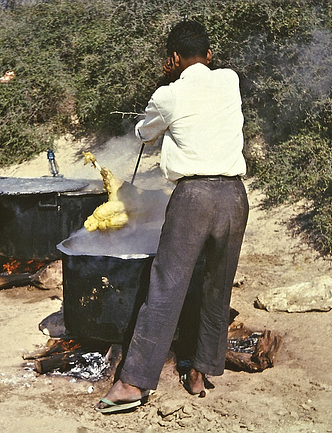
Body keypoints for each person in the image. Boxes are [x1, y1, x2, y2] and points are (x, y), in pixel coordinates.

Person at [95, 20, 248, 413]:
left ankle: (133, 383)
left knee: (166, 287)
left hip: (194, 197)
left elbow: (145, 133)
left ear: (174, 58)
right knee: (217, 286)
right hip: (234, 196)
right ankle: (201, 372)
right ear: (210, 55)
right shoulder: (229, 80)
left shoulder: (168, 94)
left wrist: (165, 80)